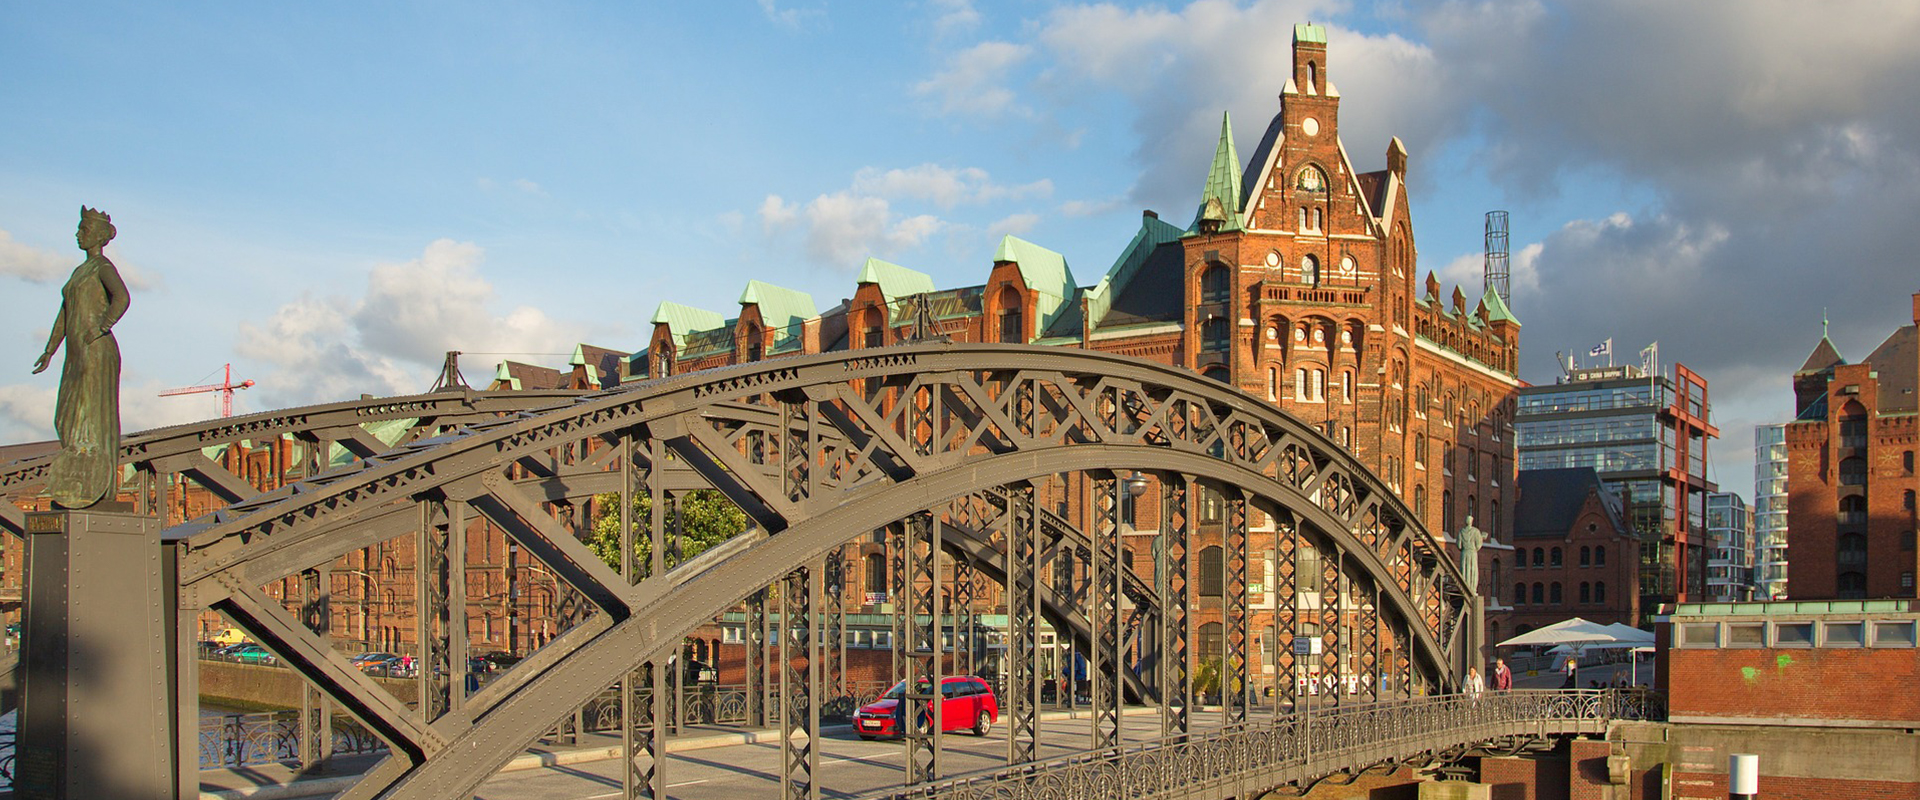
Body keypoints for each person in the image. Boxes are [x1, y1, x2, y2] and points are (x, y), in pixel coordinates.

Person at [31, 206, 131, 509]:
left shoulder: (103, 266)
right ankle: (79, 480)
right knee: (66, 417)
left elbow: (123, 298)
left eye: (83, 230)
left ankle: (98, 485)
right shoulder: (78, 272)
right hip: (76, 353)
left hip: (96, 351)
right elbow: (65, 312)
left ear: (98, 235)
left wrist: (102, 327)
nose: (77, 234)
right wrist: (50, 349)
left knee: (92, 418)